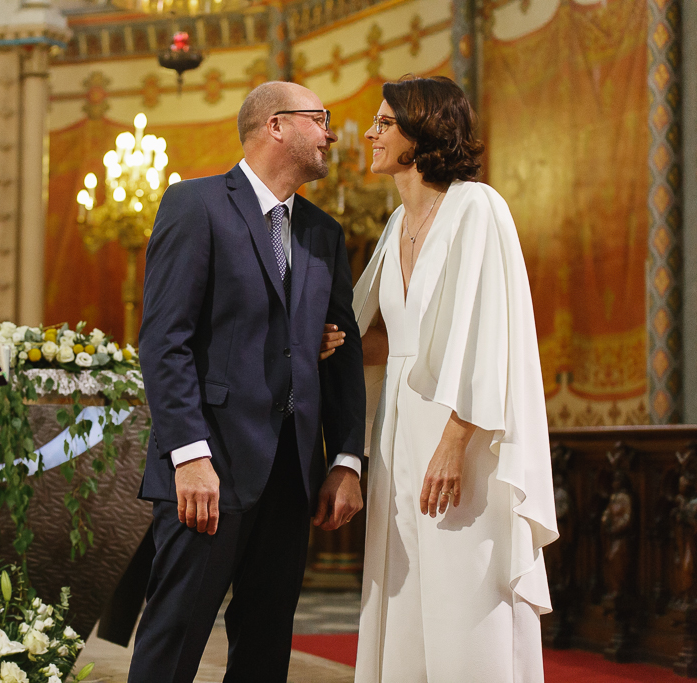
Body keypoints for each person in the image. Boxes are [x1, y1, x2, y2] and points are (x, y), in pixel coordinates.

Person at [131, 81, 367, 683]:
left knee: (265, 651)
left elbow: (341, 354)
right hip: (207, 466)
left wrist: (346, 458)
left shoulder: (323, 232)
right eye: (320, 118)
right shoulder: (196, 204)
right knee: (172, 644)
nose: (330, 132)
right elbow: (165, 341)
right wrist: (188, 455)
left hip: (291, 474)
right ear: (276, 126)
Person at [348, 76, 558, 682]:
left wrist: (453, 441)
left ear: (422, 132)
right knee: (407, 586)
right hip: (399, 430)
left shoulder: (477, 207)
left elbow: (494, 337)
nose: (371, 132)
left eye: (385, 122)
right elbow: (358, 321)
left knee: (466, 587)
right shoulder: (394, 225)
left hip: (463, 431)